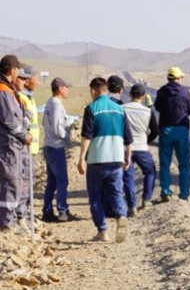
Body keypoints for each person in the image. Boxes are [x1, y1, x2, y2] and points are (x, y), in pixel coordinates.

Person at [77, 77, 132, 243]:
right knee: (116, 193)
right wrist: (127, 157)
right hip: (116, 158)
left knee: (95, 197)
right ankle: (121, 215)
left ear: (93, 91)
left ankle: (102, 231)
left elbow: (87, 135)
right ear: (106, 90)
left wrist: (81, 158)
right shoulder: (119, 109)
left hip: (96, 160)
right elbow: (128, 138)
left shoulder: (92, 108)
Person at [0, 55, 32, 233]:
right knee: (10, 182)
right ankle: (7, 223)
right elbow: (9, 121)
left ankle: (11, 220)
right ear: (12, 70)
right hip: (8, 144)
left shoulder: (9, 90)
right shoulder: (3, 90)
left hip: (13, 144)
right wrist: (23, 136)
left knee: (15, 181)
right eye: (18, 69)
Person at [154, 66, 190, 202]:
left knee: (165, 163)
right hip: (181, 130)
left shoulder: (162, 91)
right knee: (184, 164)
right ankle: (184, 194)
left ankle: (165, 191)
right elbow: (189, 110)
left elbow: (157, 107)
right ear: (179, 78)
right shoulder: (185, 92)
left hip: (165, 129)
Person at [41, 76, 76, 222]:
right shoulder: (56, 105)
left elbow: (44, 122)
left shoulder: (49, 103)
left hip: (49, 145)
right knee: (62, 180)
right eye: (66, 87)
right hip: (56, 147)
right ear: (60, 89)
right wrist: (68, 135)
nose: (67, 90)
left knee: (52, 181)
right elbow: (57, 128)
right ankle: (62, 211)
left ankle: (47, 211)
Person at [122, 83, 159, 214]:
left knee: (128, 177)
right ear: (143, 97)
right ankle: (146, 200)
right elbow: (155, 131)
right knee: (150, 172)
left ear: (130, 94)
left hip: (125, 149)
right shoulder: (148, 111)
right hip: (142, 148)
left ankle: (131, 207)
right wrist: (146, 141)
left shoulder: (122, 109)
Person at [15, 66, 40, 229]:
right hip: (23, 148)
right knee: (23, 185)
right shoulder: (21, 97)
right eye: (34, 78)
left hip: (31, 148)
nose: (36, 81)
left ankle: (27, 216)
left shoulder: (29, 97)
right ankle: (21, 218)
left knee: (28, 184)